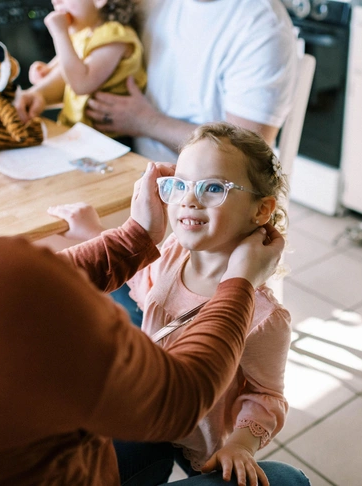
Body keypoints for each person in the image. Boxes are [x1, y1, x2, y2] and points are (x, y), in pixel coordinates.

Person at [0, 1, 310, 485]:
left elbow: (20, 294)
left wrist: (133, 239)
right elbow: (179, 402)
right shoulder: (3, 280)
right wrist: (239, 282)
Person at [48, 122, 292, 485]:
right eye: (179, 183)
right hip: (149, 410)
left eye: (213, 188)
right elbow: (139, 281)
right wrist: (97, 234)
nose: (189, 199)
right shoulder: (171, 254)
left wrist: (241, 444)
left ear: (261, 210)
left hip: (203, 436)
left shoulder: (265, 316)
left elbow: (266, 394)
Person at [85, 0, 298, 162]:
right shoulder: (155, 4)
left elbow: (243, 154)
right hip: (133, 164)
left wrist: (143, 121)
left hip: (203, 194)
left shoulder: (262, 26)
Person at [14, 0, 146, 138]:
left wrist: (60, 33)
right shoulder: (83, 34)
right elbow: (64, 67)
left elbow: (82, 84)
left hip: (108, 139)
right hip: (76, 131)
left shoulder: (115, 36)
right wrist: (45, 71)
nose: (56, 1)